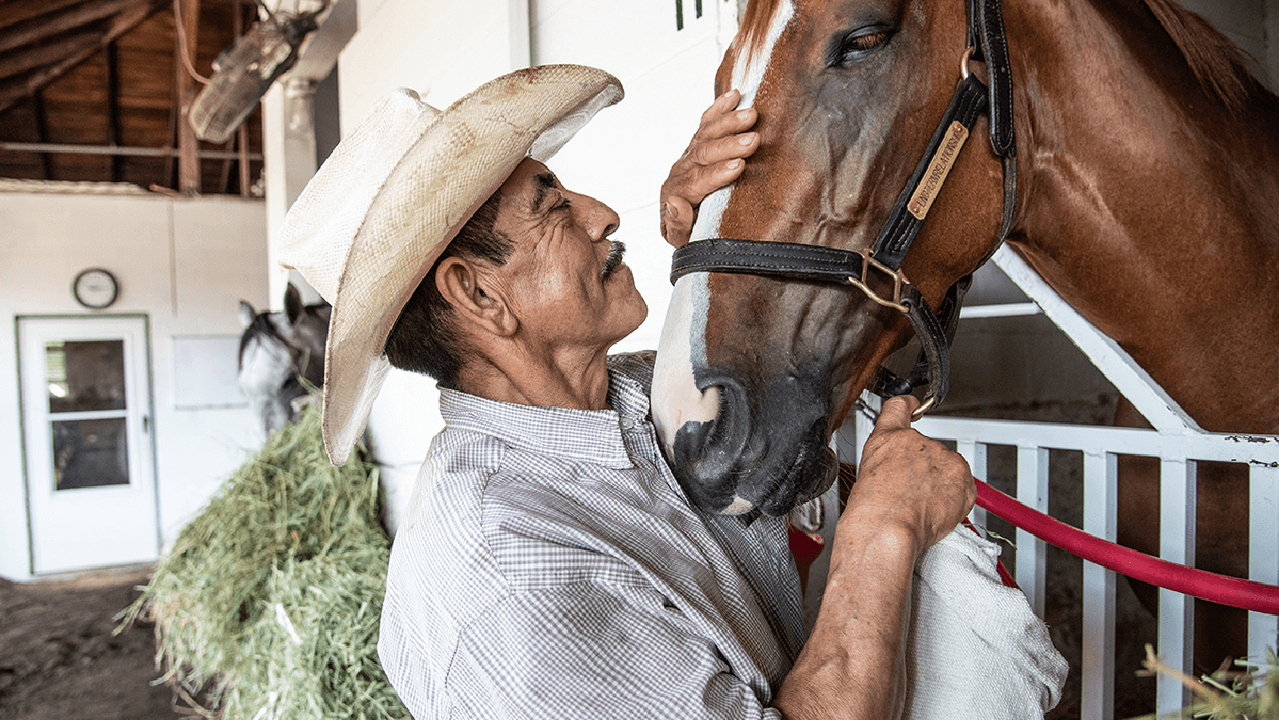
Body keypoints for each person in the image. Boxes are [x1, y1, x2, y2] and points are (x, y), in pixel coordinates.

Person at [279, 65, 1065, 719]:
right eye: (555, 206)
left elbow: (778, 361)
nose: (603, 212)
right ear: (480, 298)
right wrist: (882, 528)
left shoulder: (621, 399)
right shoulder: (512, 581)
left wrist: (718, 234)